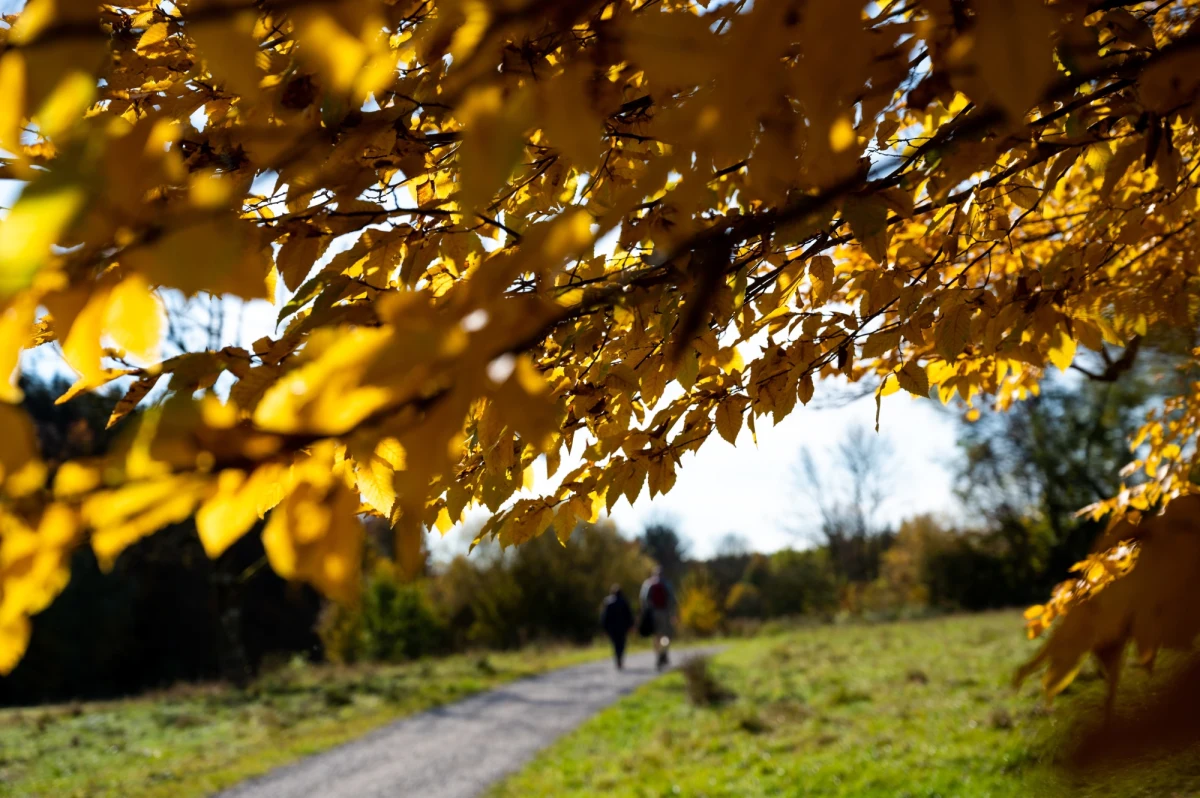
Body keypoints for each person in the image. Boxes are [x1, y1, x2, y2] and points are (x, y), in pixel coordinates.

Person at [640, 566, 674, 670]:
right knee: (665, 635)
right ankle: (663, 652)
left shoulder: (648, 584)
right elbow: (672, 599)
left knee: (655, 636)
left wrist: (645, 612)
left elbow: (643, 598)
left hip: (653, 613)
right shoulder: (667, 584)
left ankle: (658, 655)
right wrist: (673, 613)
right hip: (664, 612)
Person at [599, 585, 634, 670]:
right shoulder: (624, 601)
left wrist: (604, 628)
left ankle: (617, 658)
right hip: (622, 627)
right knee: (621, 644)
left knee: (615, 644)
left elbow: (604, 616)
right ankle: (620, 658)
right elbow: (629, 615)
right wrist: (631, 626)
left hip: (612, 627)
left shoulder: (608, 602)